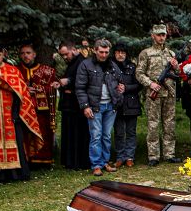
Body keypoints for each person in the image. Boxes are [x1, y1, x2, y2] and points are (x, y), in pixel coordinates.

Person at [0, 42, 42, 182]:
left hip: (11, 116)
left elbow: (20, 92)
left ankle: (15, 174)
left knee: (15, 143)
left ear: (3, 55)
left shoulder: (12, 70)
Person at [75, 39, 124, 177]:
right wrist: (85, 106)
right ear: (95, 50)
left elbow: (119, 82)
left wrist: (121, 89)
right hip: (94, 106)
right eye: (101, 52)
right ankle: (96, 165)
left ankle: (105, 162)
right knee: (96, 136)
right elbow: (80, 88)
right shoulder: (86, 65)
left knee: (106, 136)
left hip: (110, 105)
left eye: (106, 52)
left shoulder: (113, 65)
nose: (103, 55)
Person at [135, 24, 180, 166]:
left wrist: (176, 66)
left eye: (163, 35)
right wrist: (150, 84)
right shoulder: (146, 53)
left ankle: (169, 154)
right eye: (159, 35)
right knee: (153, 124)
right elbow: (139, 73)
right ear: (152, 36)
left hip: (169, 93)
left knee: (169, 124)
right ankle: (153, 156)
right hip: (153, 93)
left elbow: (178, 74)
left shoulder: (171, 54)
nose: (161, 37)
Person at [17, 44, 58, 165]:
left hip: (41, 110)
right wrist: (25, 89)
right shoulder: (16, 70)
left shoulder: (46, 70)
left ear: (34, 54)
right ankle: (26, 159)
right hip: (22, 109)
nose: (25, 56)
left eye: (28, 53)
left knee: (43, 131)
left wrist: (38, 89)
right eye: (22, 53)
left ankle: (42, 160)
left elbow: (52, 87)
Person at [56, 41, 91, 170]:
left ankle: (79, 161)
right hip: (69, 105)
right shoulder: (72, 63)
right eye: (62, 55)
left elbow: (84, 80)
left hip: (77, 105)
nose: (65, 57)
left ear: (74, 50)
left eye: (66, 54)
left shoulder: (82, 62)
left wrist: (69, 81)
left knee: (78, 133)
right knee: (70, 133)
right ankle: (71, 161)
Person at [111, 43, 141, 168]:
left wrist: (126, 88)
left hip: (131, 103)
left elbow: (139, 85)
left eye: (123, 52)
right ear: (114, 53)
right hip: (117, 104)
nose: (120, 55)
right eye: (118, 52)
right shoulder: (110, 66)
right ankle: (120, 157)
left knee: (131, 132)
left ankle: (129, 157)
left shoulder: (132, 67)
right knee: (119, 132)